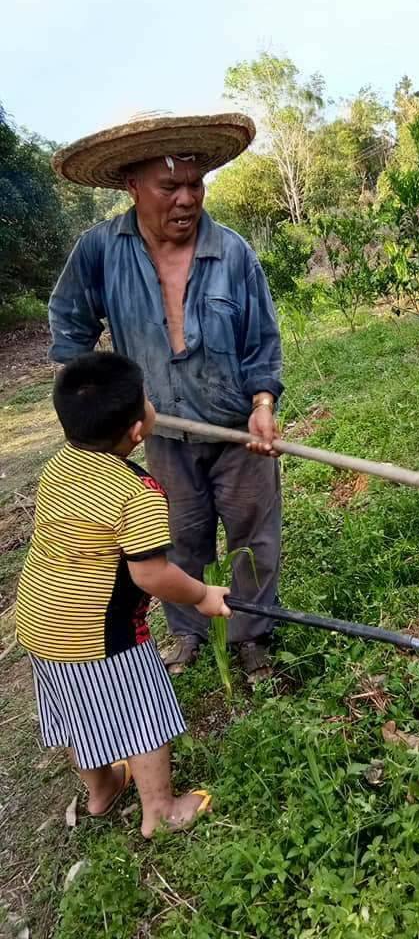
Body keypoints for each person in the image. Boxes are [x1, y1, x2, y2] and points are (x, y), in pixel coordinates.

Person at [48, 112, 283, 681]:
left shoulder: (232, 253)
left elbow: (262, 342)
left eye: (195, 185)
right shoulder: (100, 250)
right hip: (159, 433)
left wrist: (262, 406)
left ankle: (252, 636)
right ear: (132, 185)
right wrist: (99, 408)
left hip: (234, 429)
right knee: (177, 537)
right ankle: (188, 632)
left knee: (253, 535)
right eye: (169, 186)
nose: (186, 199)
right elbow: (69, 325)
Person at [15, 352, 230, 837]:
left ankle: (102, 790)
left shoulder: (58, 466)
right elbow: (151, 576)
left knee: (76, 714)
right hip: (101, 637)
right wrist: (200, 595)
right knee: (143, 716)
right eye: (147, 401)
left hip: (40, 623)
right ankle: (161, 810)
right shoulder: (137, 492)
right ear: (138, 430)